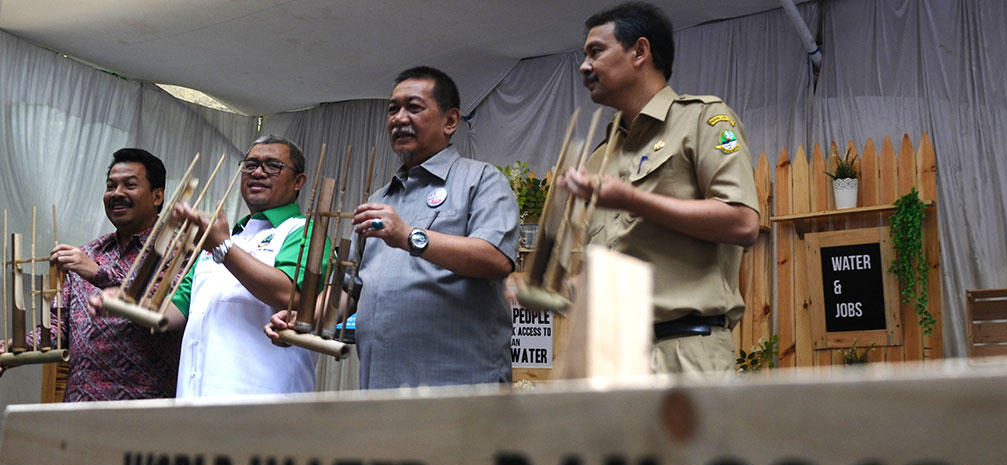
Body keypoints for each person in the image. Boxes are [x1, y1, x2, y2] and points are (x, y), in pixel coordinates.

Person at [268, 66, 519, 389]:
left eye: (414, 107)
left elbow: (496, 258)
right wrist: (306, 319)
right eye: (392, 109)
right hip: (382, 388)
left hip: (461, 390)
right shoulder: (380, 199)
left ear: (451, 120)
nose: (399, 118)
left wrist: (409, 236)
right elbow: (349, 288)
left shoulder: (481, 180)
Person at [560, 2, 761, 375]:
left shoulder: (703, 119)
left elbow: (742, 223)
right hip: (614, 357)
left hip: (686, 351)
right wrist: (554, 290)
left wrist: (633, 199)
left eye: (596, 52)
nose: (584, 66)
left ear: (640, 51)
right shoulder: (600, 157)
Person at [0, 148, 181, 401]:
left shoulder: (179, 251)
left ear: (157, 196)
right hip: (79, 405)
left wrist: (98, 273)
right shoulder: (88, 252)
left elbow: (162, 307)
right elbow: (57, 328)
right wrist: (17, 344)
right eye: (110, 186)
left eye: (129, 185)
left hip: (145, 410)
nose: (116, 194)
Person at [163, 135, 330, 397]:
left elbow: (290, 295)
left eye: (272, 165)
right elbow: (176, 311)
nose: (258, 172)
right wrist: (130, 302)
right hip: (193, 402)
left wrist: (223, 248)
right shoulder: (224, 239)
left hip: (263, 408)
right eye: (250, 165)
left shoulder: (303, 232)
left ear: (299, 181)